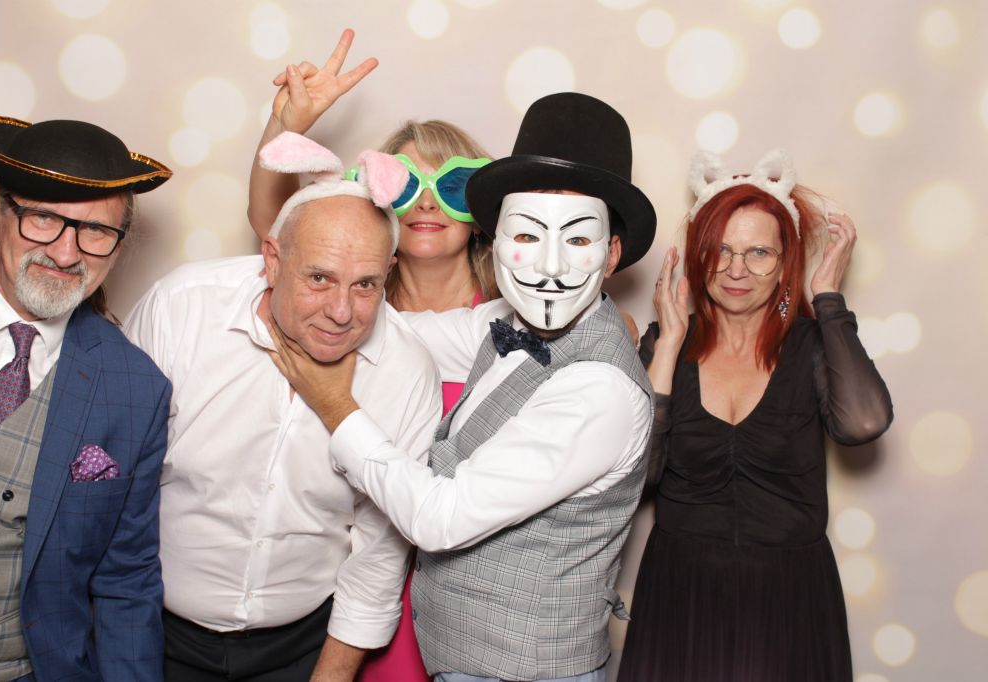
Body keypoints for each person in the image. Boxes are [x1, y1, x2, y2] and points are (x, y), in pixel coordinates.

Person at [268, 92, 657, 682]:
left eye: (578, 240)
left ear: (611, 255)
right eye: (528, 236)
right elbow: (401, 330)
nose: (550, 268)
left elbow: (440, 517)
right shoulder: (501, 322)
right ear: (496, 241)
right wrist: (321, 280)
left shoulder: (599, 387)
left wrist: (338, 408)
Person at [124, 135, 441, 682]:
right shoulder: (181, 309)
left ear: (388, 271)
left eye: (366, 285)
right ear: (272, 259)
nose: (341, 311)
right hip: (152, 627)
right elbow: (113, 484)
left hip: (302, 645)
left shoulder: (407, 369)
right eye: (319, 278)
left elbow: (378, 555)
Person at [246, 30, 498, 682]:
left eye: (454, 185)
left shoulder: (511, 327)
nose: (428, 202)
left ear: (483, 211)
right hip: (358, 588)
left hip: (474, 589)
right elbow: (278, 230)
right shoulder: (343, 315)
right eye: (407, 183)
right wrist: (286, 125)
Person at [617, 149, 893, 681]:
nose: (736, 269)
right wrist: (668, 345)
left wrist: (828, 299)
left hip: (790, 598)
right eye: (720, 250)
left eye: (759, 252)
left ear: (786, 263)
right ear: (698, 257)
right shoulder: (667, 345)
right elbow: (636, 477)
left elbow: (863, 424)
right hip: (680, 594)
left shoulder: (813, 345)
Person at [0, 115, 173, 681]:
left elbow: (126, 580)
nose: (65, 253)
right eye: (43, 218)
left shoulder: (136, 390)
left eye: (95, 230)